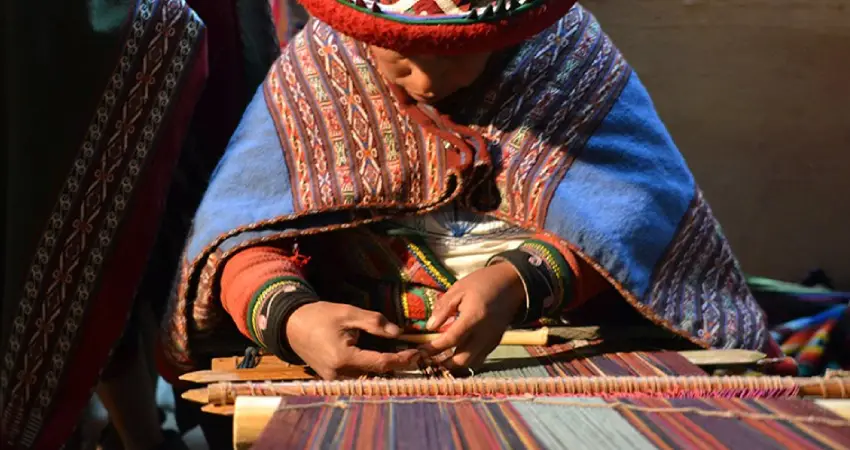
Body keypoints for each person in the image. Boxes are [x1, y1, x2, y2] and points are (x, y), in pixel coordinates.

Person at [158, 0, 784, 387]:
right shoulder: (318, 65)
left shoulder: (567, 53)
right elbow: (240, 234)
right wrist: (295, 318)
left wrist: (516, 282)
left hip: (560, 359)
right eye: (402, 54)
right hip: (363, 368)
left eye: (459, 55)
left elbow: (638, 213)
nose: (429, 78)